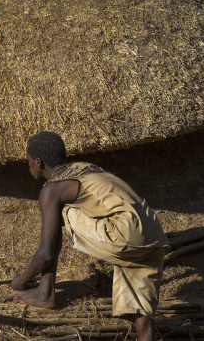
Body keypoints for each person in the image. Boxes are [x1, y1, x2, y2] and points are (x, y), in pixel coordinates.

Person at [11, 131, 169, 341]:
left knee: (61, 210)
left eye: (28, 161)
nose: (28, 166)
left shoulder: (52, 190)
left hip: (125, 231)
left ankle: (45, 292)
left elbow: (46, 253)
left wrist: (20, 282)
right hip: (153, 232)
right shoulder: (85, 168)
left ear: (38, 162)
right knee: (142, 316)